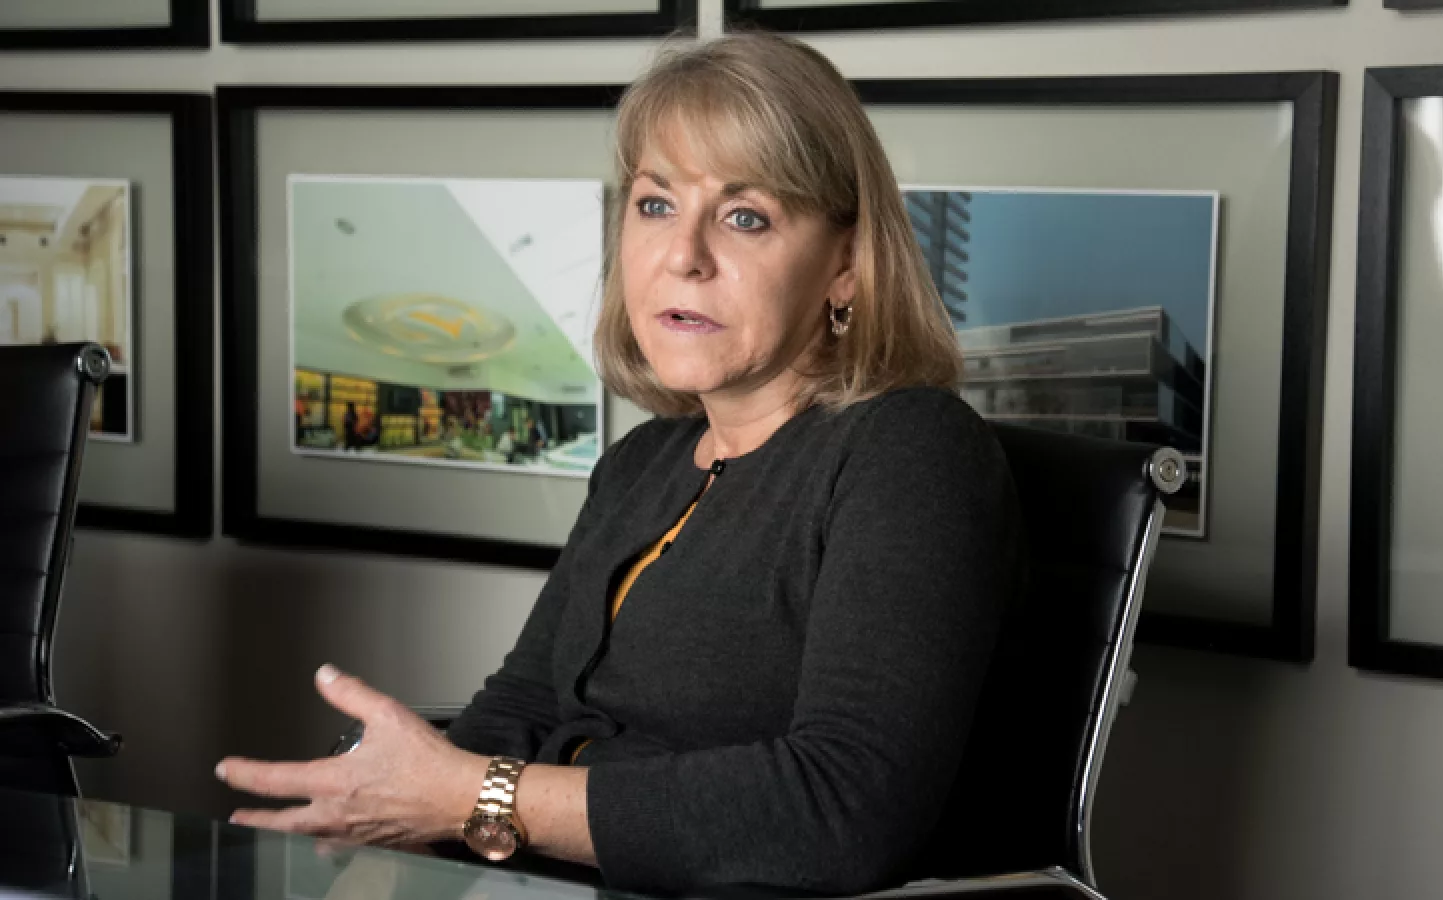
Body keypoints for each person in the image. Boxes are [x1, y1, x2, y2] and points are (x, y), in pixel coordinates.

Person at [216, 30, 1021, 897]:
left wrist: (474, 799)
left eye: (745, 217)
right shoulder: (643, 460)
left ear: (847, 267)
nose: (684, 255)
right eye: (655, 204)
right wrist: (392, 803)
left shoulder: (910, 451)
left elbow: (846, 808)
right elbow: (522, 707)